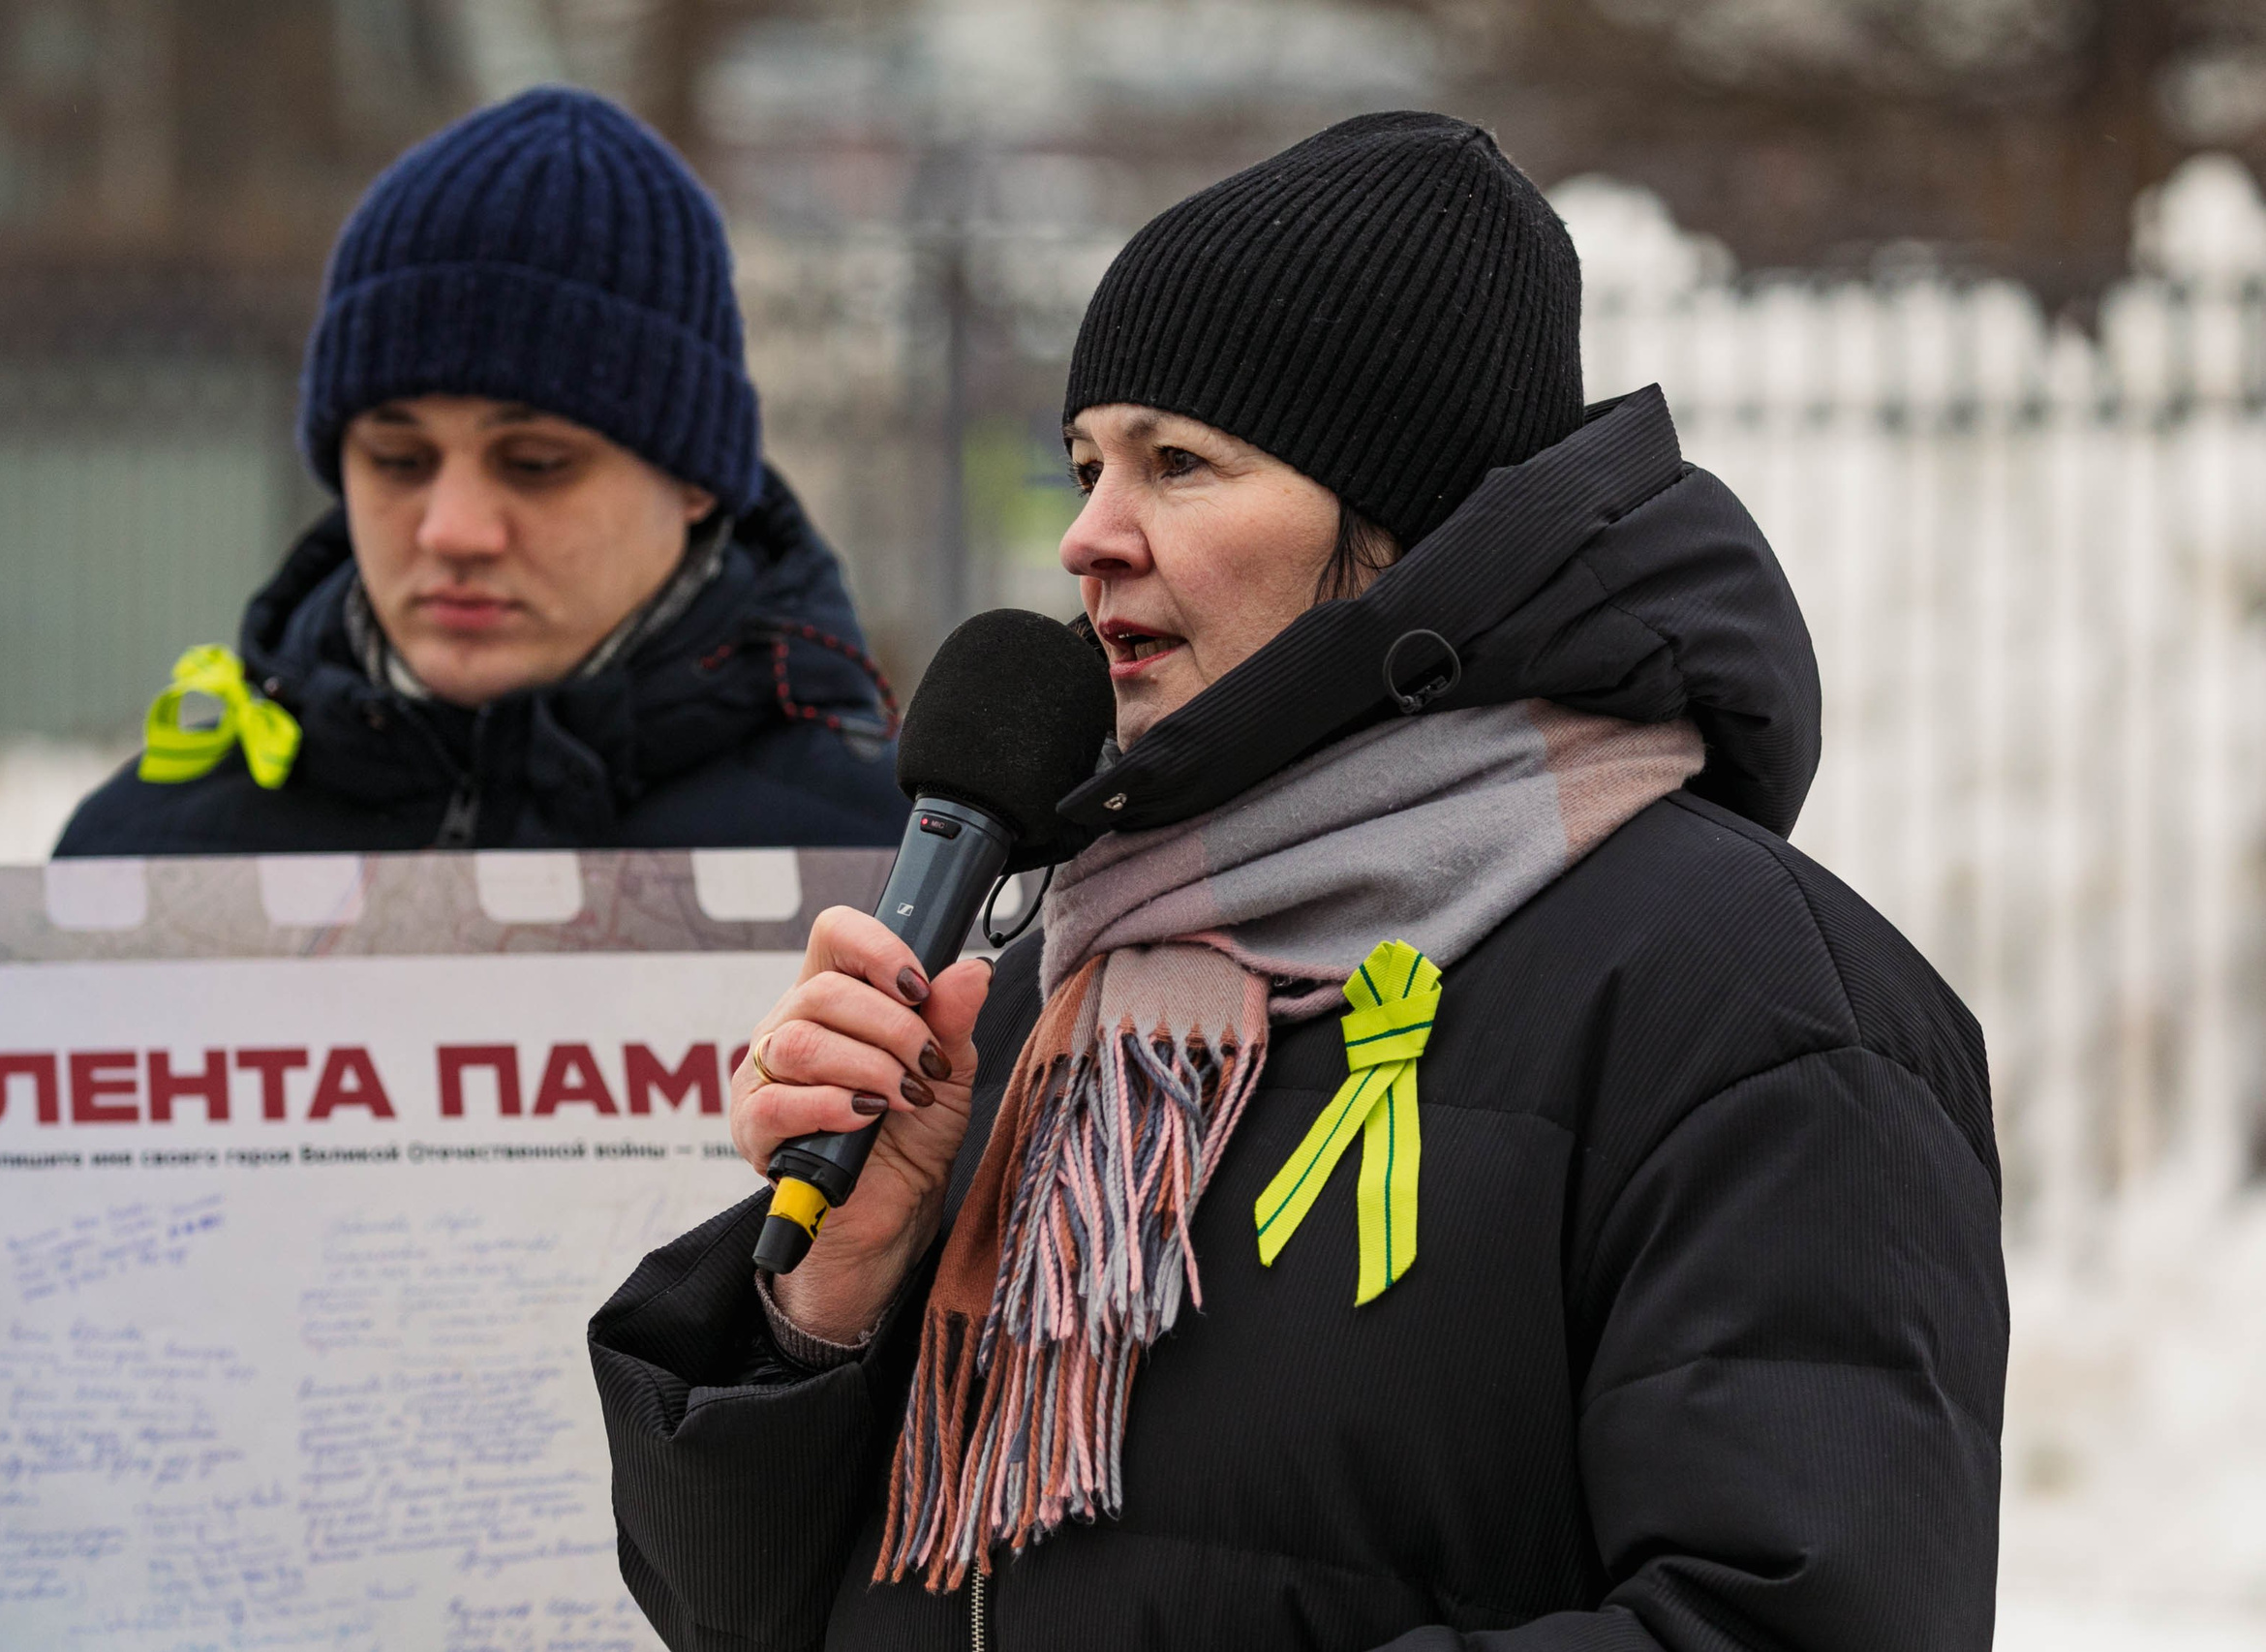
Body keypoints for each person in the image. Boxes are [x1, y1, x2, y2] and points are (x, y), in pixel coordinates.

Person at [589, 113, 2005, 1651]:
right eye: (1086, 464)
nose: (1087, 537)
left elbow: (1792, 1620)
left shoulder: (1758, 1006)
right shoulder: (1050, 972)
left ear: (1404, 525)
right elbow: (755, 1615)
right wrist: (830, 1306)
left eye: (1179, 464)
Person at [56, 88, 907, 857]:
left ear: (695, 481)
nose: (453, 530)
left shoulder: (891, 866)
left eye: (536, 464)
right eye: (398, 460)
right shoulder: (143, 861)